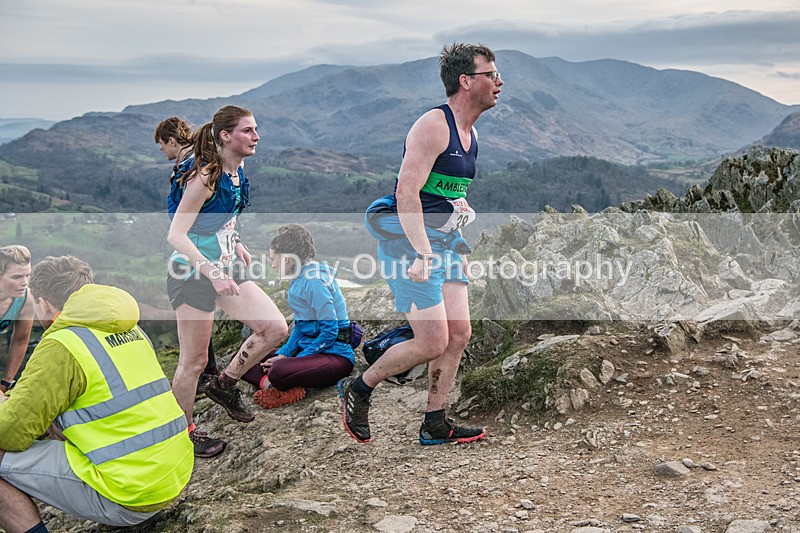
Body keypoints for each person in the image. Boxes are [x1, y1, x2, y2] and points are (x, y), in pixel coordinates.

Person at [340, 43, 502, 445]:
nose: (499, 82)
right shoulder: (433, 126)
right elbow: (406, 194)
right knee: (433, 341)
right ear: (466, 81)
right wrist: (423, 253)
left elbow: (440, 192)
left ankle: (434, 421)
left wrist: (457, 221)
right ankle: (361, 388)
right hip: (411, 245)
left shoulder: (471, 132)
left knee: (459, 333)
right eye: (491, 75)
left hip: (446, 240)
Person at [0, 255, 193, 532]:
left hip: (129, 493)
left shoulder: (62, 343)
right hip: (171, 474)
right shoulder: (130, 329)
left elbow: (9, 433)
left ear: (43, 303)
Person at [167, 105, 288, 456]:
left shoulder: (237, 170)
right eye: (247, 131)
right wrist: (213, 272)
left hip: (223, 265)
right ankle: (182, 436)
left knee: (275, 328)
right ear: (225, 135)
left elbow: (222, 219)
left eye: (255, 129)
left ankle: (224, 384)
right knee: (193, 362)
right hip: (191, 273)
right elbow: (177, 235)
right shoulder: (204, 177)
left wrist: (238, 245)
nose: (256, 136)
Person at [240, 224, 355, 409]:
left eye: (273, 259)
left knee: (278, 370)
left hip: (335, 354)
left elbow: (331, 332)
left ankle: (279, 383)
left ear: (287, 259)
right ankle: (274, 387)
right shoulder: (298, 279)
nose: (272, 264)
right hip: (310, 349)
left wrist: (294, 359)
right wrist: (285, 352)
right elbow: (301, 327)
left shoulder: (314, 282)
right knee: (243, 358)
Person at [154, 117, 220, 398]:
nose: (162, 152)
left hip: (193, 254)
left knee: (195, 311)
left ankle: (205, 377)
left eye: (161, 145)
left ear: (171, 140)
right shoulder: (196, 163)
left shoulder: (189, 169)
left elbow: (182, 218)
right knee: (200, 313)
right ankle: (209, 372)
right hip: (202, 251)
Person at [0, 245, 34, 394]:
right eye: (16, 277)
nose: (25, 282)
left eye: (27, 275)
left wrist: (6, 383)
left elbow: (20, 340)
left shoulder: (26, 299)